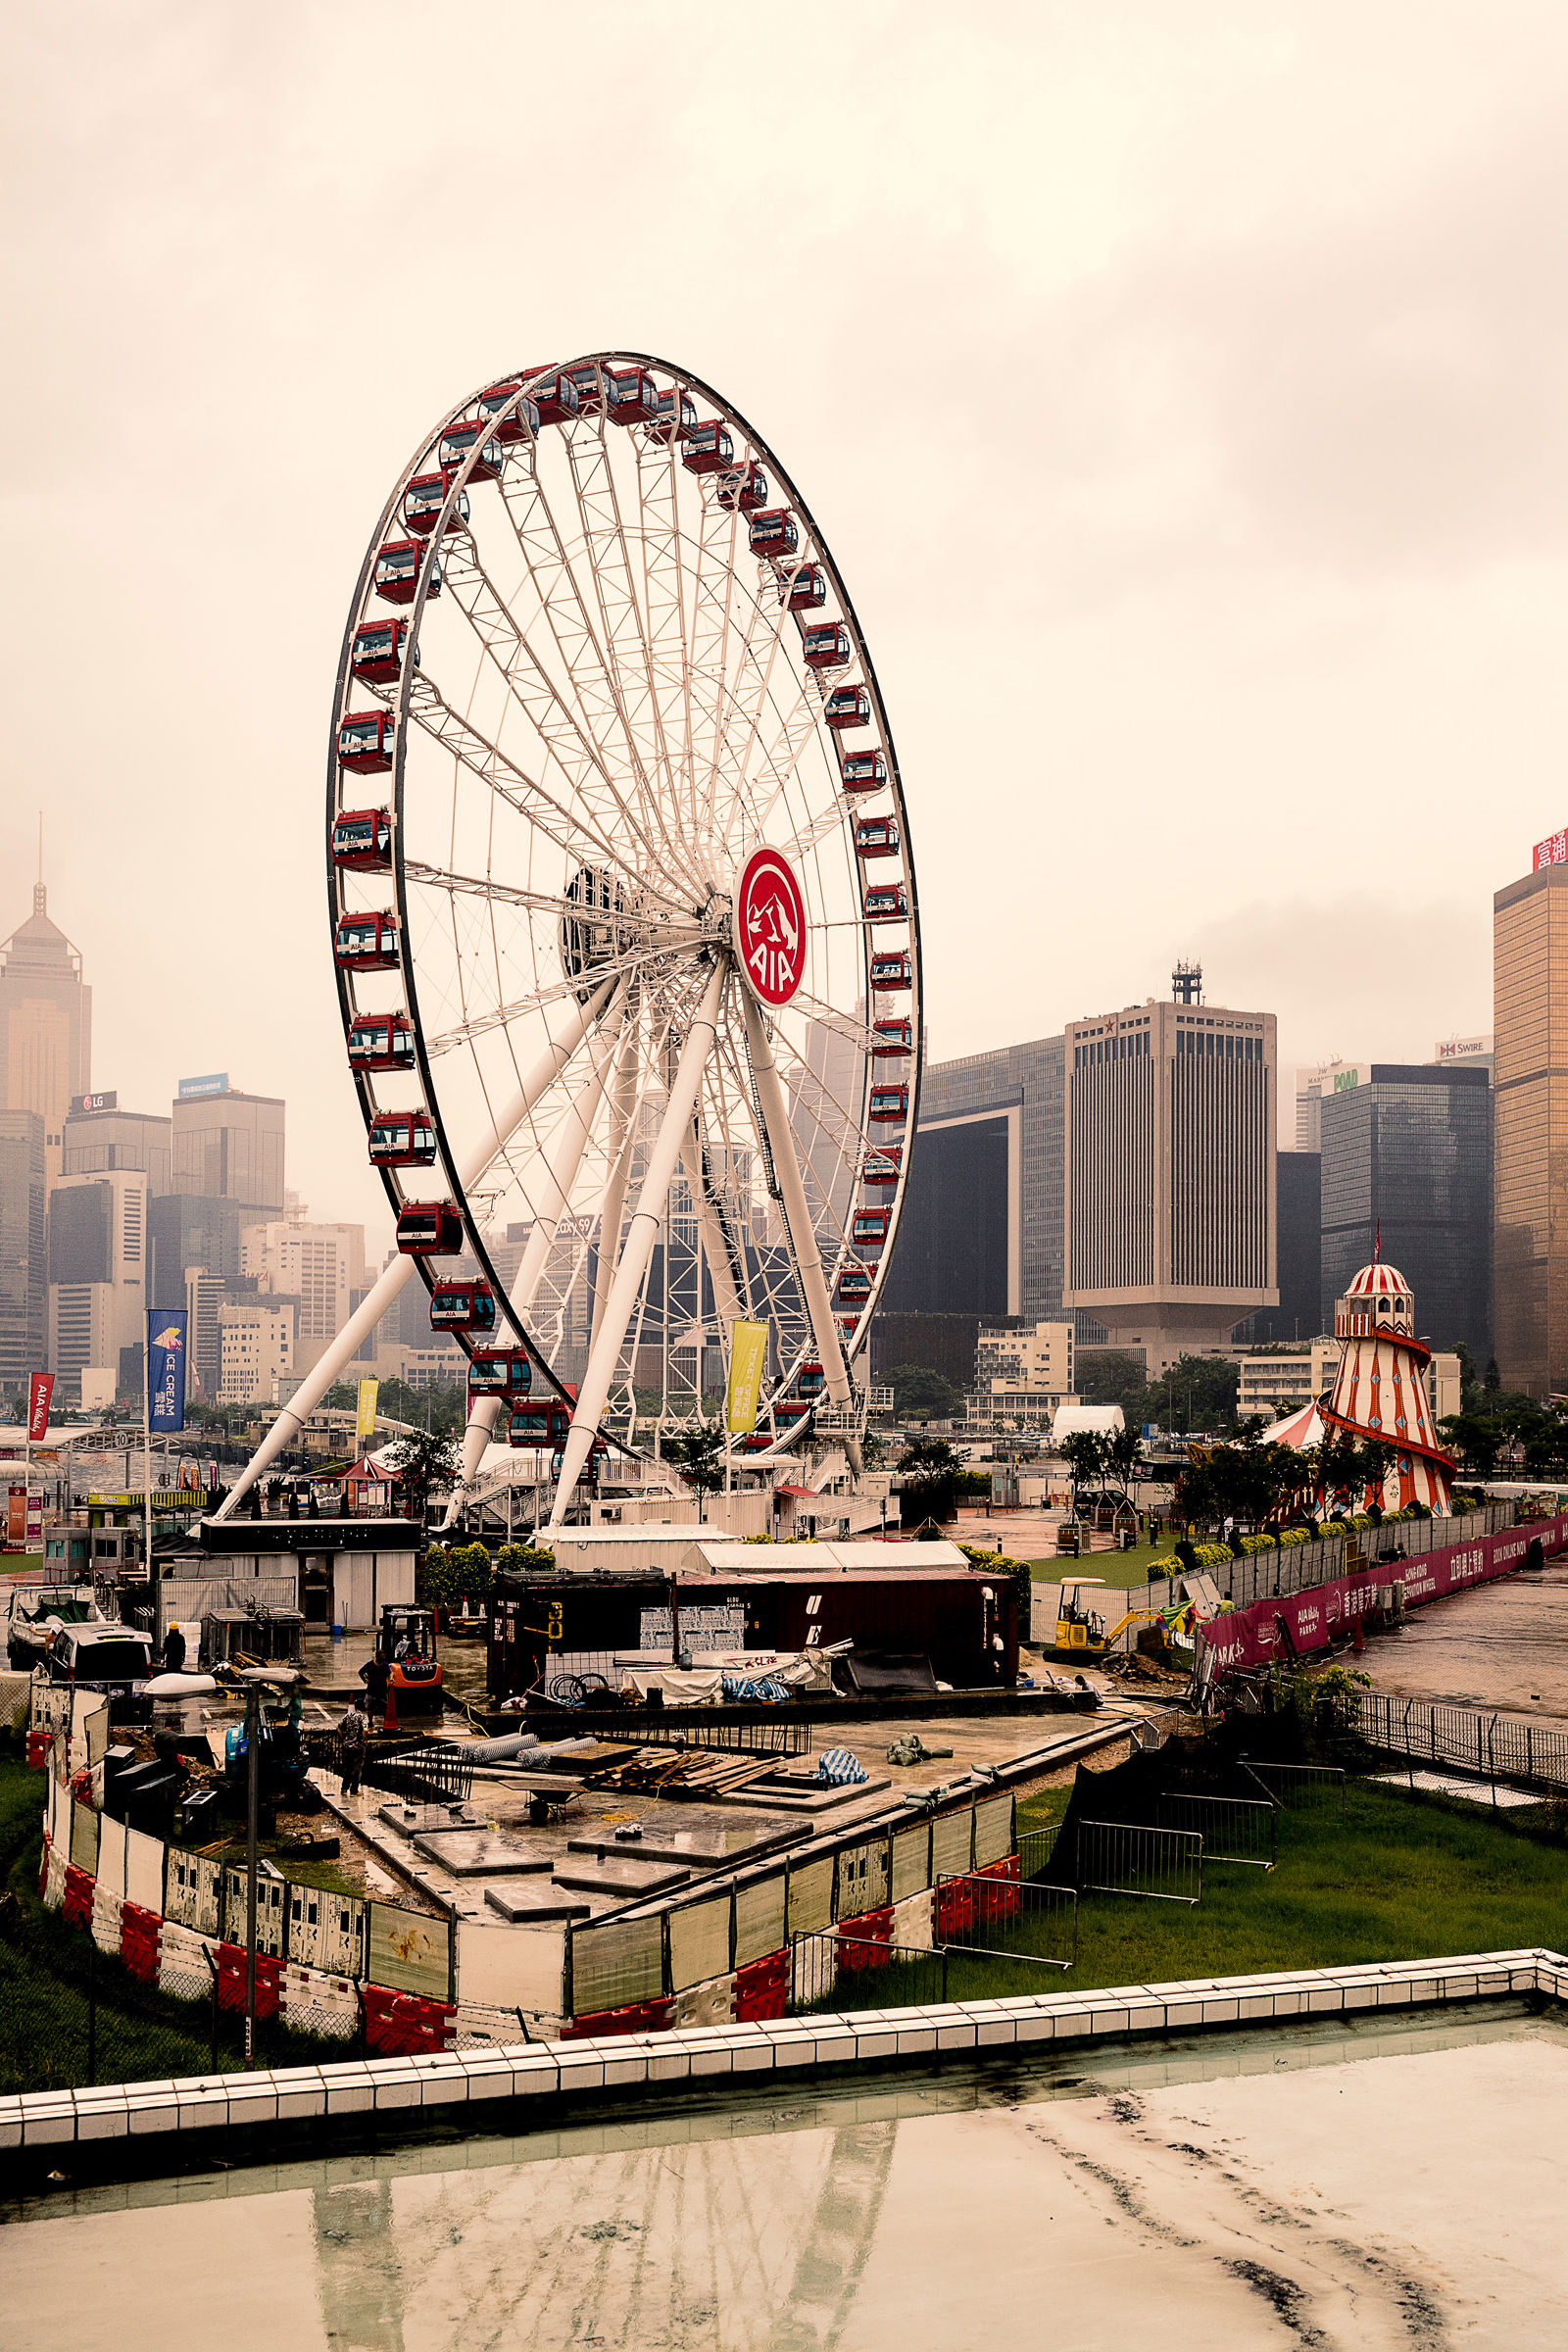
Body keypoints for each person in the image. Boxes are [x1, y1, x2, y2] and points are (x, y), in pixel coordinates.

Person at [339, 1698, 368, 1797]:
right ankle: (354, 1790)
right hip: (357, 1746)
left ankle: (344, 1788)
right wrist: (363, 1740)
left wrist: (343, 1739)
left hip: (347, 1746)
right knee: (357, 1768)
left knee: (347, 1768)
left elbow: (338, 1728)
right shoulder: (363, 1717)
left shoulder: (347, 1716)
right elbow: (365, 1730)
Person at [361, 1652, 389, 1721]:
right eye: (382, 1658)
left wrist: (391, 1678)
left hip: (382, 1690)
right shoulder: (370, 1664)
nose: (383, 1660)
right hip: (371, 1690)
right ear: (377, 1657)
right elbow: (361, 1672)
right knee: (370, 1708)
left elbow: (389, 1673)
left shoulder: (385, 1665)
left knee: (386, 1707)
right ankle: (370, 1722)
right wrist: (365, 1680)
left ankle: (386, 1722)